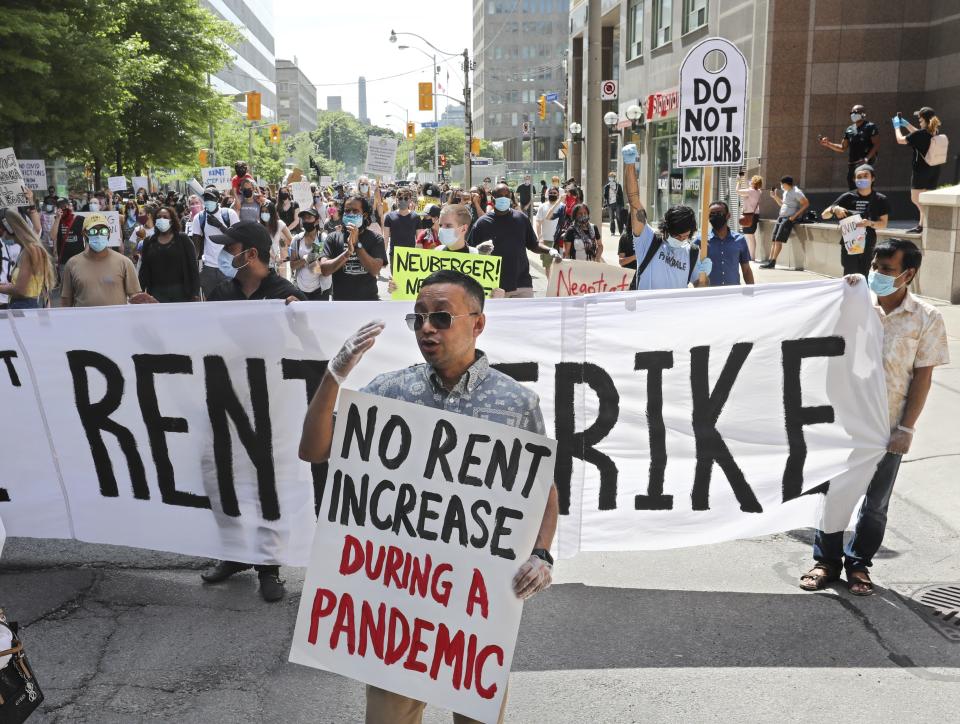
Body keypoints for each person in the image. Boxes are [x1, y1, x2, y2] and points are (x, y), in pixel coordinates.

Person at [298, 269, 558, 724]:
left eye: (440, 317)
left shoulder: (516, 403)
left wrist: (541, 554)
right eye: (418, 318)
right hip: (399, 602)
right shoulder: (389, 392)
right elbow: (314, 450)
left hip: (477, 607)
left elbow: (542, 488)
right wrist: (333, 377)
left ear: (477, 324)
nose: (426, 329)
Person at [800, 239, 948, 596]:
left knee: (875, 504)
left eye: (887, 269)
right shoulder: (854, 305)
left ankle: (859, 564)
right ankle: (826, 561)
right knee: (835, 494)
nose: (877, 274)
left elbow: (922, 378)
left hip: (888, 426)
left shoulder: (927, 318)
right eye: (875, 267)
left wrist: (906, 428)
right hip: (846, 423)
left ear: (908, 274)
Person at [200, 221, 304, 602]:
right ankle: (232, 554)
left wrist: (302, 319)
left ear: (252, 255)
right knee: (219, 478)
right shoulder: (222, 292)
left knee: (268, 484)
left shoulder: (285, 294)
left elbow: (310, 346)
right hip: (225, 399)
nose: (227, 255)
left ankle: (269, 567)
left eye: (233, 248)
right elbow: (194, 333)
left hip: (271, 405)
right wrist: (157, 313)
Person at [622, 144, 711, 289]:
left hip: (674, 311)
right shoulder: (648, 240)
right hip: (646, 310)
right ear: (666, 229)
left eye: (685, 236)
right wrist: (630, 164)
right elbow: (634, 202)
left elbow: (700, 288)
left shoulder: (692, 252)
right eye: (677, 236)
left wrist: (704, 276)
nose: (681, 240)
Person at [470, 182, 562, 298]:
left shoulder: (521, 218)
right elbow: (469, 251)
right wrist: (478, 250)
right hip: (495, 286)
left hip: (522, 283)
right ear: (493, 199)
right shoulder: (482, 223)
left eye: (507, 196)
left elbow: (533, 245)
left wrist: (550, 250)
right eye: (500, 196)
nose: (504, 198)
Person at [60, 213, 155, 307]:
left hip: (116, 321)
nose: (98, 234)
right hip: (84, 321)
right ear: (84, 233)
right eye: (93, 231)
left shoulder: (124, 263)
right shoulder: (72, 264)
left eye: (103, 231)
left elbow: (135, 298)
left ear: (109, 233)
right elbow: (66, 300)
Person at [821, 164, 889, 277]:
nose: (862, 179)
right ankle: (848, 294)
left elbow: (883, 224)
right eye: (859, 177)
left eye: (865, 176)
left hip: (868, 241)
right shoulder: (847, 197)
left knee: (864, 274)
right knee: (849, 274)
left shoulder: (880, 199)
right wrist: (835, 208)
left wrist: (870, 223)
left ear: (873, 178)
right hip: (850, 241)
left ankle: (862, 294)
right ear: (854, 179)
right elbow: (824, 215)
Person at [320, 195, 388, 301]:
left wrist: (357, 245)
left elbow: (375, 270)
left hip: (368, 302)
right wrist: (347, 253)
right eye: (347, 211)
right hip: (341, 303)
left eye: (355, 211)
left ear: (364, 215)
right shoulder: (333, 238)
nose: (350, 214)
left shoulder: (376, 239)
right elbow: (325, 270)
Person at [894, 106, 945, 234]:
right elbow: (917, 134)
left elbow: (900, 140)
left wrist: (896, 127)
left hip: (921, 171)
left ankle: (928, 221)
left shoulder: (921, 134)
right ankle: (921, 226)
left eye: (920, 118)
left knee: (916, 199)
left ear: (925, 118)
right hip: (934, 170)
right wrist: (906, 124)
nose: (918, 120)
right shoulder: (933, 131)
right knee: (924, 198)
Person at [137, 205, 200, 303]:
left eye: (165, 217)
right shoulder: (149, 242)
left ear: (172, 220)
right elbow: (144, 270)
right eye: (159, 217)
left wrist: (195, 293)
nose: (162, 219)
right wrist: (140, 291)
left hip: (181, 292)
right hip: (156, 293)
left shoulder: (183, 239)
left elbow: (193, 267)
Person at [191, 187, 240, 299]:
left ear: (218, 199)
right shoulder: (199, 218)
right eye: (206, 198)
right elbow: (196, 245)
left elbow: (237, 238)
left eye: (211, 198)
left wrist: (219, 225)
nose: (208, 201)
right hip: (209, 269)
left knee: (230, 301)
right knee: (211, 303)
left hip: (229, 267)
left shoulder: (229, 214)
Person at [0, 209, 54, 309]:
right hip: (25, 305)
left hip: (23, 306)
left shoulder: (30, 251)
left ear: (10, 228)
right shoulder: (30, 249)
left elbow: (20, 289)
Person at [819, 103, 880, 190]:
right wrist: (828, 144)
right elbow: (842, 148)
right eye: (851, 113)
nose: (853, 114)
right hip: (852, 165)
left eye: (855, 112)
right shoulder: (849, 129)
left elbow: (876, 144)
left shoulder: (870, 126)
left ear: (863, 114)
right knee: (853, 190)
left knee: (865, 190)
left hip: (865, 165)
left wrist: (867, 158)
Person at [760, 176, 809, 269]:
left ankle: (773, 262)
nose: (781, 186)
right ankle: (770, 261)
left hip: (788, 218)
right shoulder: (786, 192)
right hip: (781, 217)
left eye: (782, 184)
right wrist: (775, 197)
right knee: (774, 240)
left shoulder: (797, 192)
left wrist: (794, 216)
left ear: (786, 184)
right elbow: (783, 204)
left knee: (778, 240)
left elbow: (806, 204)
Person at [706, 201, 754, 286]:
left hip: (733, 294)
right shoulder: (701, 241)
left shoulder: (740, 239)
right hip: (710, 294)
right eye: (712, 214)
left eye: (719, 213)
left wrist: (751, 291)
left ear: (728, 215)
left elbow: (746, 269)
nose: (715, 217)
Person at [288, 208, 330, 301]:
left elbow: (325, 267)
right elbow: (292, 266)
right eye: (304, 218)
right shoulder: (296, 240)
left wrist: (314, 261)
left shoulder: (324, 239)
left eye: (309, 217)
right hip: (301, 288)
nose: (306, 220)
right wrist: (306, 259)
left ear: (316, 220)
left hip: (321, 289)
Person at [383, 186, 420, 261]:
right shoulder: (389, 217)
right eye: (400, 198)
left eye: (406, 198)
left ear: (410, 200)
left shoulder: (416, 217)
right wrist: (383, 257)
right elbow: (386, 239)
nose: (403, 200)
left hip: (411, 256)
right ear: (396, 199)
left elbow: (419, 240)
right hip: (395, 255)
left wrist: (419, 256)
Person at [54, 196, 86, 276]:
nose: (63, 208)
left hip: (79, 261)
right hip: (64, 261)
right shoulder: (57, 220)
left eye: (65, 206)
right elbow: (52, 237)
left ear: (69, 206)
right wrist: (57, 219)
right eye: (60, 207)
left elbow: (88, 237)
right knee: (65, 286)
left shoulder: (80, 219)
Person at [535, 186, 563, 275]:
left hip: (559, 240)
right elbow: (538, 222)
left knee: (560, 265)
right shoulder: (542, 206)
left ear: (558, 194)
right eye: (551, 193)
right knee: (548, 265)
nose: (552, 194)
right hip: (546, 240)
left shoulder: (562, 206)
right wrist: (540, 237)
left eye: (555, 193)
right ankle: (550, 285)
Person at [735, 173, 763, 259]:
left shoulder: (750, 191)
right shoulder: (758, 192)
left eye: (752, 180)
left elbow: (737, 191)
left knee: (750, 237)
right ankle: (752, 256)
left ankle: (751, 256)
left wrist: (739, 181)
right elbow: (746, 192)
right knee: (751, 236)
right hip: (754, 215)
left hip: (748, 216)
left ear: (754, 183)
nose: (750, 181)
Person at [259, 200, 291, 272]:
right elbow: (263, 247)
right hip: (264, 263)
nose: (264, 214)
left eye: (266, 212)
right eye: (262, 212)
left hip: (277, 262)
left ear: (272, 213)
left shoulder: (279, 224)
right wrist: (275, 258)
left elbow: (291, 239)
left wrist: (286, 250)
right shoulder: (259, 227)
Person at [602, 171, 625, 235]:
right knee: (611, 218)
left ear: (614, 178)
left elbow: (621, 195)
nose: (611, 178)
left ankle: (621, 231)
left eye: (612, 177)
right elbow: (605, 196)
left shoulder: (618, 186)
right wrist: (605, 204)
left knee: (618, 217)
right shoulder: (607, 186)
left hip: (617, 204)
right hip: (610, 204)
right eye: (610, 177)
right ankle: (612, 231)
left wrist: (622, 205)